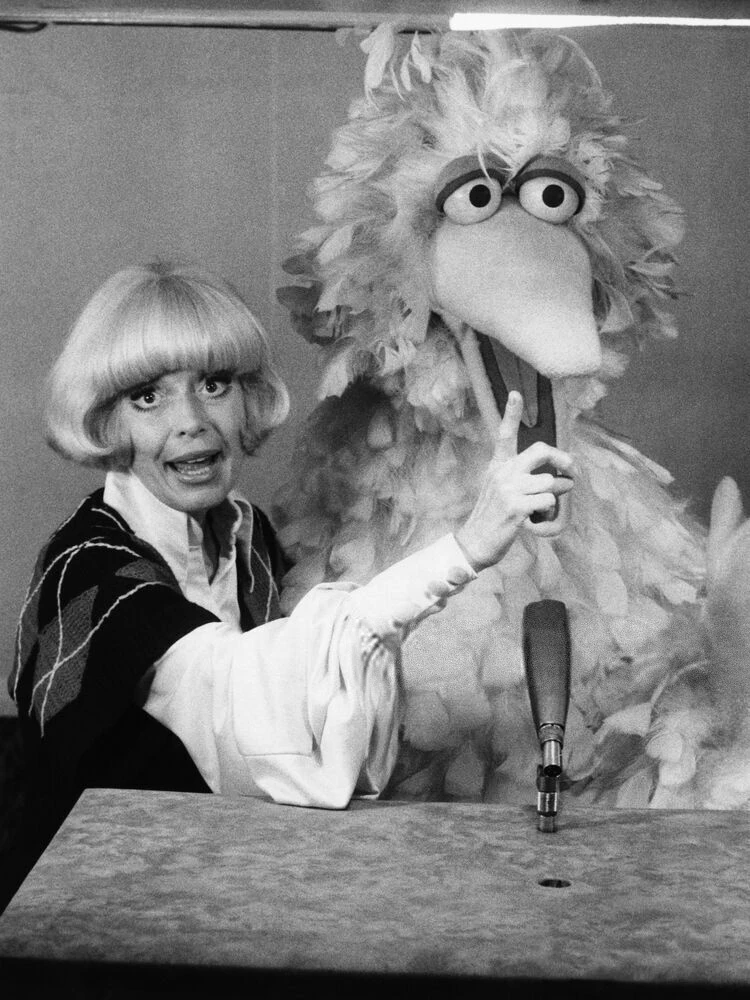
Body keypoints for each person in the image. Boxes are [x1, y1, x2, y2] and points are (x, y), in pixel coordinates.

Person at [3, 261, 574, 906]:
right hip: (87, 915)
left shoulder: (246, 534)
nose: (191, 420)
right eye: (148, 397)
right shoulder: (89, 572)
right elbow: (249, 699)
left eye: (213, 384)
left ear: (248, 397)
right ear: (107, 424)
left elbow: (311, 728)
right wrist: (465, 550)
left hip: (216, 885)